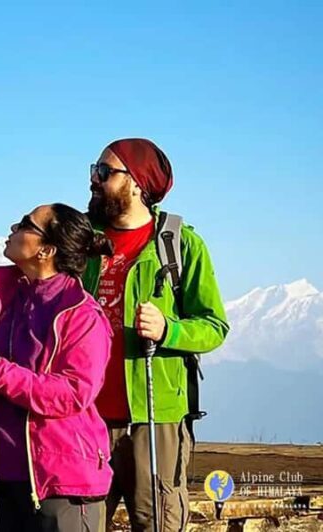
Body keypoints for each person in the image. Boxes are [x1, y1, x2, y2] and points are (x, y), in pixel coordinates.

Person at [83, 138, 229, 531]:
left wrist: (169, 329)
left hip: (156, 415)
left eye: (104, 172)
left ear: (136, 183)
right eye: (94, 171)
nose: (93, 181)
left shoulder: (181, 246)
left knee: (158, 523)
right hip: (86, 416)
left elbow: (214, 326)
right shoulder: (80, 241)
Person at [0, 203, 115, 532]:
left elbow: (72, 393)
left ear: (46, 249)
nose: (13, 227)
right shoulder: (4, 299)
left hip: (59, 483)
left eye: (25, 224)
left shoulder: (81, 315)